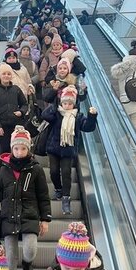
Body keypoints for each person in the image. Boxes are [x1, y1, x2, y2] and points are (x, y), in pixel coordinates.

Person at [0, 126, 51, 270]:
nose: (20, 152)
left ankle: (27, 264)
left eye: (23, 148)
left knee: (30, 249)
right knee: (10, 256)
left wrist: (45, 219)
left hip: (29, 215)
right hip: (9, 216)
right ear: (12, 148)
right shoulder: (3, 168)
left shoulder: (36, 169)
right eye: (16, 148)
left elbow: (43, 196)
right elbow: (0, 194)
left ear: (28, 149)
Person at [41, 86, 97, 214]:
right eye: (65, 103)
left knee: (66, 173)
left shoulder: (78, 116)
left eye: (70, 103)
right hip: (53, 148)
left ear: (74, 104)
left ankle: (66, 199)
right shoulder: (56, 114)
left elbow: (88, 127)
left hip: (68, 149)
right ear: (61, 103)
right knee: (53, 172)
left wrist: (92, 116)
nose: (67, 106)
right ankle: (58, 189)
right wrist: (55, 104)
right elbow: (45, 115)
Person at [0, 66, 28, 154]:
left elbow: (25, 104)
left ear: (11, 76)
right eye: (4, 74)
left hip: (16, 126)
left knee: (17, 150)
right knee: (5, 150)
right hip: (3, 127)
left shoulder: (16, 89)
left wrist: (21, 112)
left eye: (9, 74)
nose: (6, 76)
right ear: (0, 75)